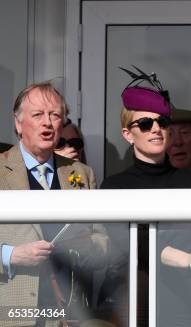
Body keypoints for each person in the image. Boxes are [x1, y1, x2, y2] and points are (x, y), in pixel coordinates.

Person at [99, 67, 191, 327]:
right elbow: (133, 241)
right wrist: (187, 258)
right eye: (145, 124)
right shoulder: (115, 186)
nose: (156, 129)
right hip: (145, 303)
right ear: (127, 135)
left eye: (162, 122)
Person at [0, 82, 109, 327]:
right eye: (37, 114)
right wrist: (11, 255)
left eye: (55, 115)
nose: (47, 122)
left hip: (67, 314)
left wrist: (87, 246)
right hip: (10, 312)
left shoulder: (80, 173)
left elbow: (103, 241)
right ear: (18, 123)